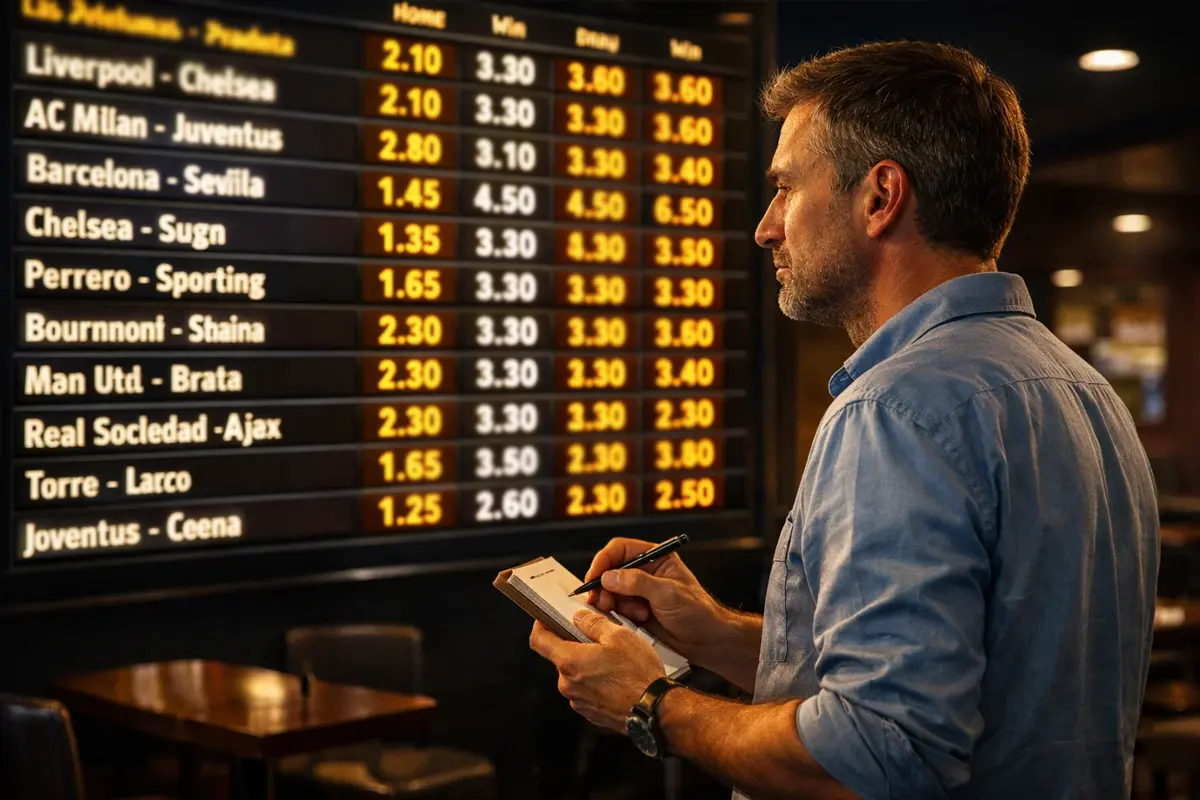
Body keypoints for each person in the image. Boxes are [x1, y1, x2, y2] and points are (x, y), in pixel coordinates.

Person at [528, 39, 1160, 799]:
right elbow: (965, 683)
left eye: (786, 188)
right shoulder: (1084, 391)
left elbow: (876, 755)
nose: (766, 227)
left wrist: (651, 704)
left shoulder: (894, 412)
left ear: (879, 197)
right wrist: (714, 633)